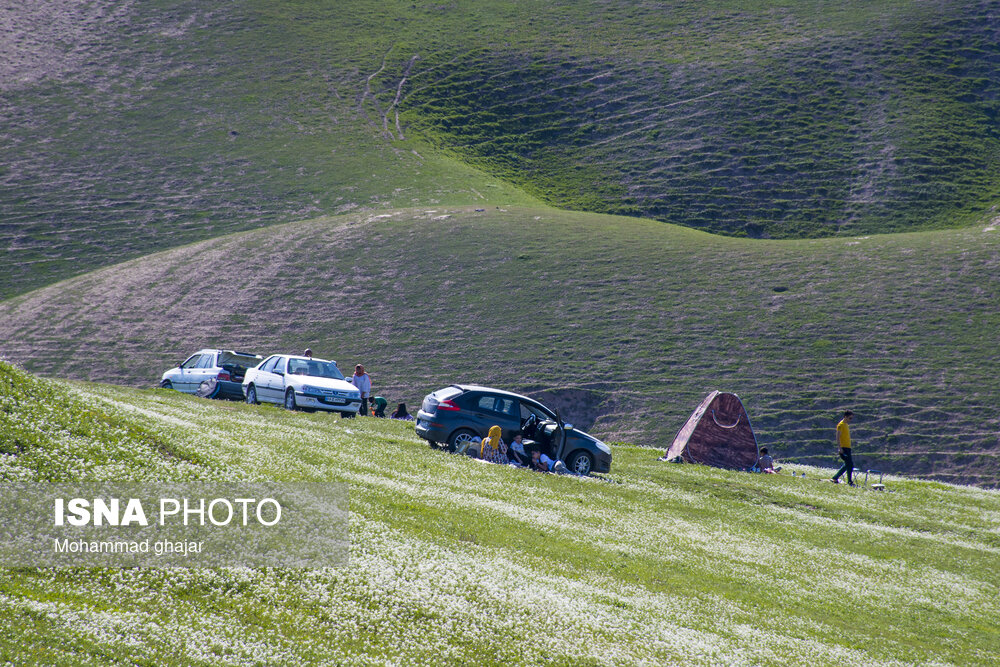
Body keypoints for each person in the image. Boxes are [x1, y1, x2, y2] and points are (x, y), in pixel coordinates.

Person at [832, 411, 856, 486]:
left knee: (848, 464)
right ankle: (849, 481)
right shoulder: (840, 425)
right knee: (850, 464)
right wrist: (839, 448)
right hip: (843, 447)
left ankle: (835, 477)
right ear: (845, 416)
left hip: (848, 447)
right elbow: (838, 437)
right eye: (850, 418)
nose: (850, 420)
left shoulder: (846, 425)